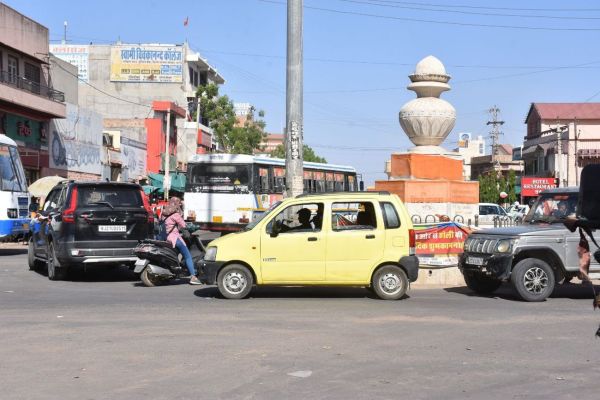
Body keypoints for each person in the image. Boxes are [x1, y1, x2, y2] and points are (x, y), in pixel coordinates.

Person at [164, 197, 201, 285]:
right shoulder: (175, 215)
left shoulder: (164, 213)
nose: (180, 205)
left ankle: (177, 273)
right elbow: (185, 226)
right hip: (175, 238)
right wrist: (196, 227)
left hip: (168, 237)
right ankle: (193, 277)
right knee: (187, 256)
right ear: (176, 204)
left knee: (175, 256)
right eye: (179, 203)